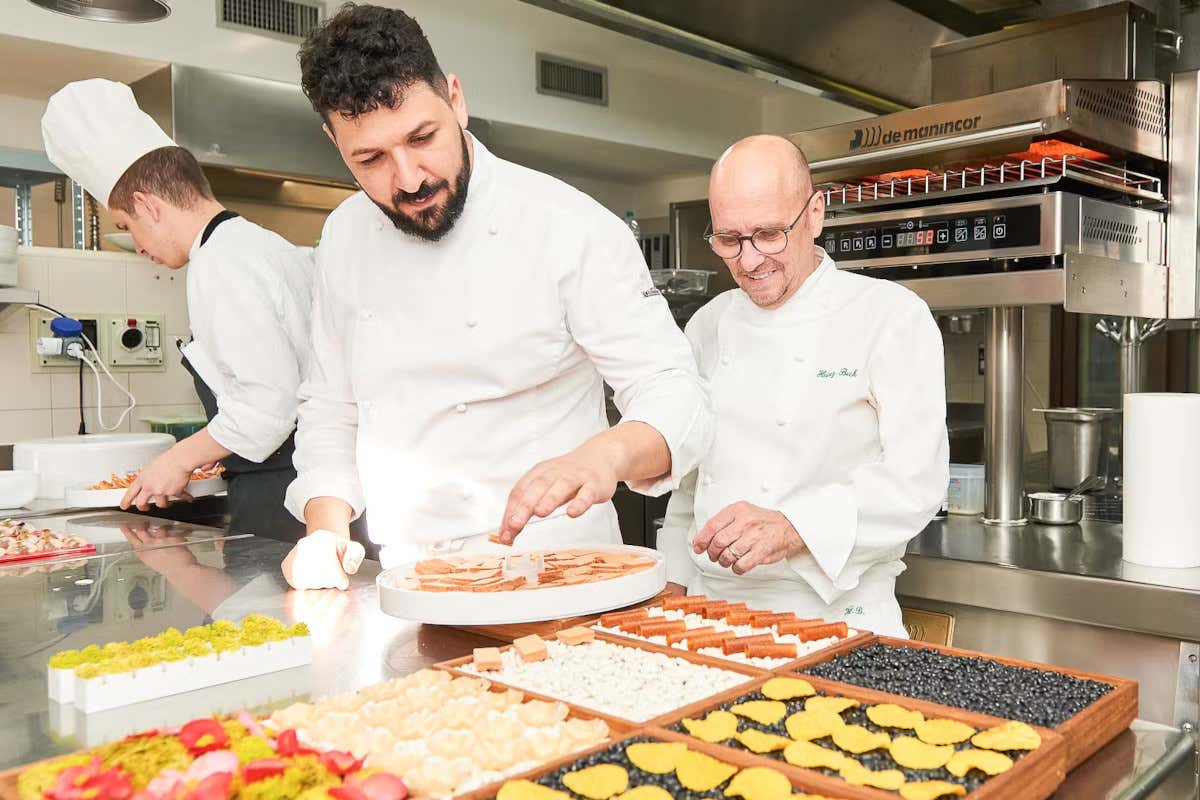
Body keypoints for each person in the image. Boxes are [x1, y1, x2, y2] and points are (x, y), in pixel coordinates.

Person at [281, 3, 711, 590]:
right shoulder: (344, 235)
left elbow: (674, 391)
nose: (408, 179)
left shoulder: (568, 225)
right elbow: (331, 404)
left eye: (423, 137)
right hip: (409, 576)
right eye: (371, 158)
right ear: (334, 142)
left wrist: (607, 455)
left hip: (558, 573)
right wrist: (325, 531)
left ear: (455, 99)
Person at [656, 135, 949, 637]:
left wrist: (793, 528)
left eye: (769, 234)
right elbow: (689, 487)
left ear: (814, 214)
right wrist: (671, 592)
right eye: (729, 240)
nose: (749, 262)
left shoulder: (890, 316)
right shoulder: (706, 325)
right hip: (712, 613)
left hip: (837, 618)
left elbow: (914, 483)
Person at [41, 79, 318, 545]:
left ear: (149, 206)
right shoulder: (261, 245)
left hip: (283, 498)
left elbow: (268, 404)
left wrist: (176, 460)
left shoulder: (220, 262)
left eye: (127, 226)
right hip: (305, 488)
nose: (139, 246)